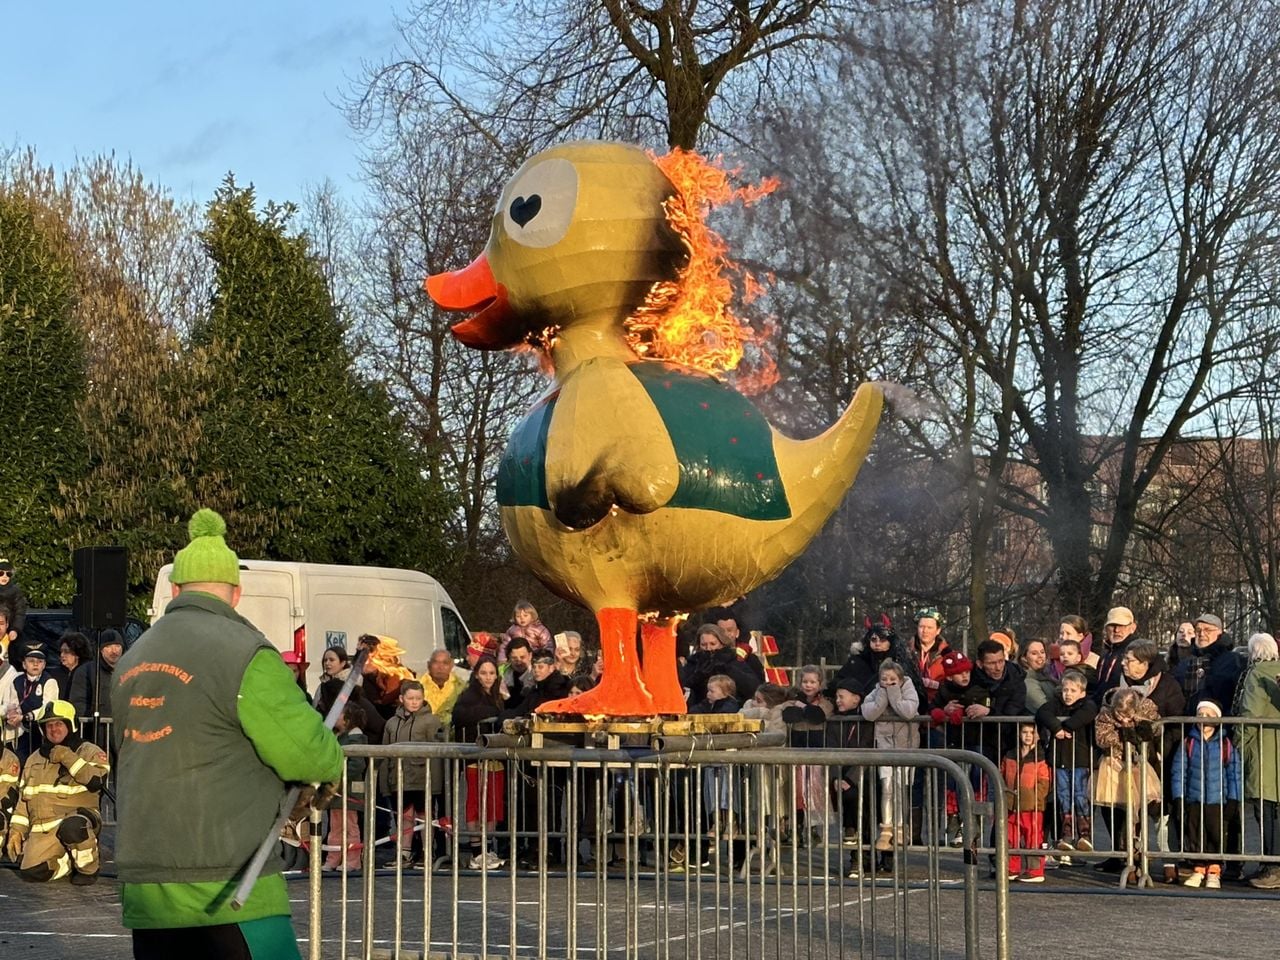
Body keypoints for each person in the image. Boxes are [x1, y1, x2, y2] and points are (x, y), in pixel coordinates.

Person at [112, 508, 343, 959]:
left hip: (146, 879)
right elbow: (309, 754)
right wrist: (331, 763)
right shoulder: (246, 653)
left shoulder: (132, 658)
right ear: (235, 594)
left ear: (175, 590)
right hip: (228, 874)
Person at [6, 699, 109, 884]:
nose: (54, 729)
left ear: (71, 725)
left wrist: (67, 757)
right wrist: (16, 830)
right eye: (49, 725)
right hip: (45, 829)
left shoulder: (89, 751)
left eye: (59, 724)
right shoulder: (33, 759)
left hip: (79, 820)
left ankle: (88, 868)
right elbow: (24, 800)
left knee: (74, 828)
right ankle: (68, 861)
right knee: (32, 872)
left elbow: (96, 780)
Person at [1171, 700, 1241, 890]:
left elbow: (1234, 773)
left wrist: (1234, 799)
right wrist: (1179, 797)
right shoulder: (1189, 742)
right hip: (1194, 799)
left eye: (1208, 715)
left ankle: (1214, 870)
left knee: (1216, 836)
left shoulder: (1225, 744)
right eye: (1200, 714)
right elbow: (1179, 771)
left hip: (1218, 800)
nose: (1203, 719)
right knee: (1195, 835)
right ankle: (1199, 868)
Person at [1092, 687, 1161, 875]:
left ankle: (1137, 851)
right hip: (1113, 764)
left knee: (1138, 809)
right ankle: (1119, 851)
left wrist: (1136, 725)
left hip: (1138, 764)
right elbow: (1102, 738)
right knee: (1112, 810)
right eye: (1119, 714)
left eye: (1127, 714)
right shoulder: (1106, 713)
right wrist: (1122, 732)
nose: (1123, 717)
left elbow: (1154, 730)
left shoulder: (1146, 707)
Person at [1036, 669, 1098, 856]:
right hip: (1061, 760)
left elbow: (1087, 715)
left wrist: (1066, 726)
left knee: (1080, 796)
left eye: (1072, 690)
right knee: (1063, 796)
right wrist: (1056, 728)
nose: (1068, 694)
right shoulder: (1056, 705)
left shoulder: (1087, 704)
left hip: (1081, 760)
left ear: (1082, 692)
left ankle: (1084, 834)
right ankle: (1067, 834)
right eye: (1065, 690)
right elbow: (1042, 712)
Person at [1234, 632, 1280, 889]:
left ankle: (1271, 866)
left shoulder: (1256, 674)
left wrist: (1239, 743)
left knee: (1266, 808)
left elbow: (1249, 714)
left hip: (1263, 749)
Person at [381, 679, 442, 869]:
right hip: (398, 779)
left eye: (418, 698)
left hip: (424, 778)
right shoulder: (391, 723)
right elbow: (384, 753)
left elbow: (438, 753)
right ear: (401, 699)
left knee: (425, 817)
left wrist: (437, 783)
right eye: (410, 698)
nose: (415, 702)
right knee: (404, 818)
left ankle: (427, 853)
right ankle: (404, 854)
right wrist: (384, 783)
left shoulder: (431, 720)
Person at [452, 655, 506, 870]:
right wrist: (494, 713)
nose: (488, 677)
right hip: (476, 757)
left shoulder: (500, 694)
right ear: (476, 674)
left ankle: (487, 846)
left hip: (496, 758)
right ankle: (476, 851)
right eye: (483, 673)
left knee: (493, 805)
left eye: (492, 673)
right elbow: (460, 716)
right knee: (476, 803)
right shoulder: (469, 695)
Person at [860, 660, 919, 851]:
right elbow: (868, 713)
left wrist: (893, 693)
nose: (888, 682)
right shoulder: (877, 691)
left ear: (901, 679)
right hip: (884, 745)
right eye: (884, 679)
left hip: (906, 746)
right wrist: (883, 696)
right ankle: (886, 828)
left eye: (893, 679)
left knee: (901, 787)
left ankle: (901, 827)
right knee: (887, 787)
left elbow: (908, 711)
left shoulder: (909, 688)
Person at [1001, 723, 1051, 882]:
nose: (1028, 735)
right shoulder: (1010, 755)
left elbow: (1044, 782)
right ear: (1019, 734)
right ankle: (1011, 868)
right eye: (1024, 732)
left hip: (1032, 806)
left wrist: (1035, 800)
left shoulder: (1041, 757)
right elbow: (1001, 776)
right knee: (1010, 837)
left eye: (1032, 732)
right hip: (1011, 804)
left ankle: (1035, 871)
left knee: (1033, 837)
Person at [322, 701, 368, 873]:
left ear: (348, 719)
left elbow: (357, 764)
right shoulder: (336, 736)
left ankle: (353, 860)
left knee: (350, 826)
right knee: (335, 827)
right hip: (336, 790)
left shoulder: (355, 737)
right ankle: (333, 859)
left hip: (349, 789)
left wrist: (336, 774)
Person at [1173, 613, 1245, 712]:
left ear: (1220, 633)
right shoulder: (1185, 663)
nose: (1201, 634)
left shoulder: (1234, 661)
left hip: (1223, 723)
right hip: (1189, 724)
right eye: (1198, 630)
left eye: (1207, 630)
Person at [1, 647, 61, 761]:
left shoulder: (49, 681)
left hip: (40, 730)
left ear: (44, 665)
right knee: (19, 759)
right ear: (24, 664)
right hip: (21, 730)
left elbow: (47, 707)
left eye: (39, 662)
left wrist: (26, 716)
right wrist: (12, 714)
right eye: (31, 661)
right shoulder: (17, 681)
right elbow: (14, 703)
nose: (35, 664)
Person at [908, 608, 953, 708]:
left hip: (939, 707)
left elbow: (954, 683)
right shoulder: (906, 652)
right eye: (921, 627)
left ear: (938, 630)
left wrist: (935, 685)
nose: (925, 631)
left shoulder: (948, 655)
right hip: (911, 707)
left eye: (929, 627)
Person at [1094, 606, 1139, 703]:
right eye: (1112, 625)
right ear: (1106, 628)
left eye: (1122, 625)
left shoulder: (1138, 652)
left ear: (1132, 627)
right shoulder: (1106, 653)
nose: (1116, 630)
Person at [421, 649, 465, 726]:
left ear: (451, 665)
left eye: (445, 663)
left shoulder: (462, 687)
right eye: (436, 662)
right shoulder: (417, 686)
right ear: (429, 665)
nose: (440, 667)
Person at [1020, 639, 1058, 712]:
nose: (1040, 656)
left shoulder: (1047, 676)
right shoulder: (1028, 682)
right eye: (1034, 653)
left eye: (1042, 652)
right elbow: (1043, 707)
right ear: (1024, 658)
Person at [500, 636, 536, 711]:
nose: (519, 661)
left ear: (530, 656)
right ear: (509, 658)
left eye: (522, 657)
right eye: (514, 658)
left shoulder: (537, 673)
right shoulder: (502, 672)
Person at [0, 559, 28, 652]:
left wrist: (15, 629)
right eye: (1, 573)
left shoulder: (15, 591)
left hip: (8, 632)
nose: (4, 576)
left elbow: (20, 612)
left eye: (8, 574)